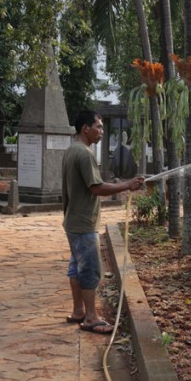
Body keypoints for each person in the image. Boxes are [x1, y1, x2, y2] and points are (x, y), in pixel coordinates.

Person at [62, 111, 145, 333]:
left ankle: (78, 311)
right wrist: (127, 185)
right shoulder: (84, 154)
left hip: (73, 220)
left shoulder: (72, 150)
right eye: (98, 127)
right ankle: (91, 317)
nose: (101, 131)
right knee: (90, 270)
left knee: (76, 267)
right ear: (85, 129)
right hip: (83, 223)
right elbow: (96, 188)